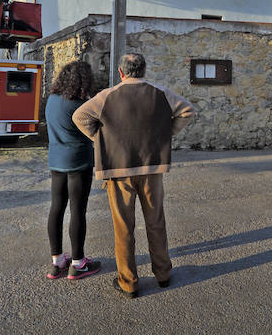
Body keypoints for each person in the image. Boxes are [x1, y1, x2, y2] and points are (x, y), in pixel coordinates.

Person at [73, 53, 195, 298]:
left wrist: (102, 139)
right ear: (144, 70)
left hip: (118, 170)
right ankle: (163, 274)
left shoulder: (107, 95)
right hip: (152, 168)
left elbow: (79, 116)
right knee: (156, 222)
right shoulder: (161, 92)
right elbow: (187, 112)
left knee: (123, 227)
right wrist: (164, 135)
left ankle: (128, 282)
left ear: (121, 72)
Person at [44, 61, 101, 280]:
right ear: (83, 80)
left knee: (56, 208)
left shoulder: (52, 100)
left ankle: (57, 262)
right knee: (78, 211)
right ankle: (78, 263)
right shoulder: (79, 104)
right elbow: (95, 129)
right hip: (78, 163)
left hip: (56, 161)